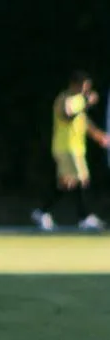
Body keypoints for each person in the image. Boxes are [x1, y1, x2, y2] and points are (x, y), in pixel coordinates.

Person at [31, 70, 109, 230]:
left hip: (77, 148)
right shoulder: (64, 99)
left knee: (67, 184)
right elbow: (66, 115)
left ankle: (42, 212)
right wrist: (86, 103)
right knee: (82, 179)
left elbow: (83, 121)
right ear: (75, 84)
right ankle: (84, 217)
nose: (85, 90)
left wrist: (99, 136)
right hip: (65, 147)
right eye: (83, 86)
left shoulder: (79, 100)